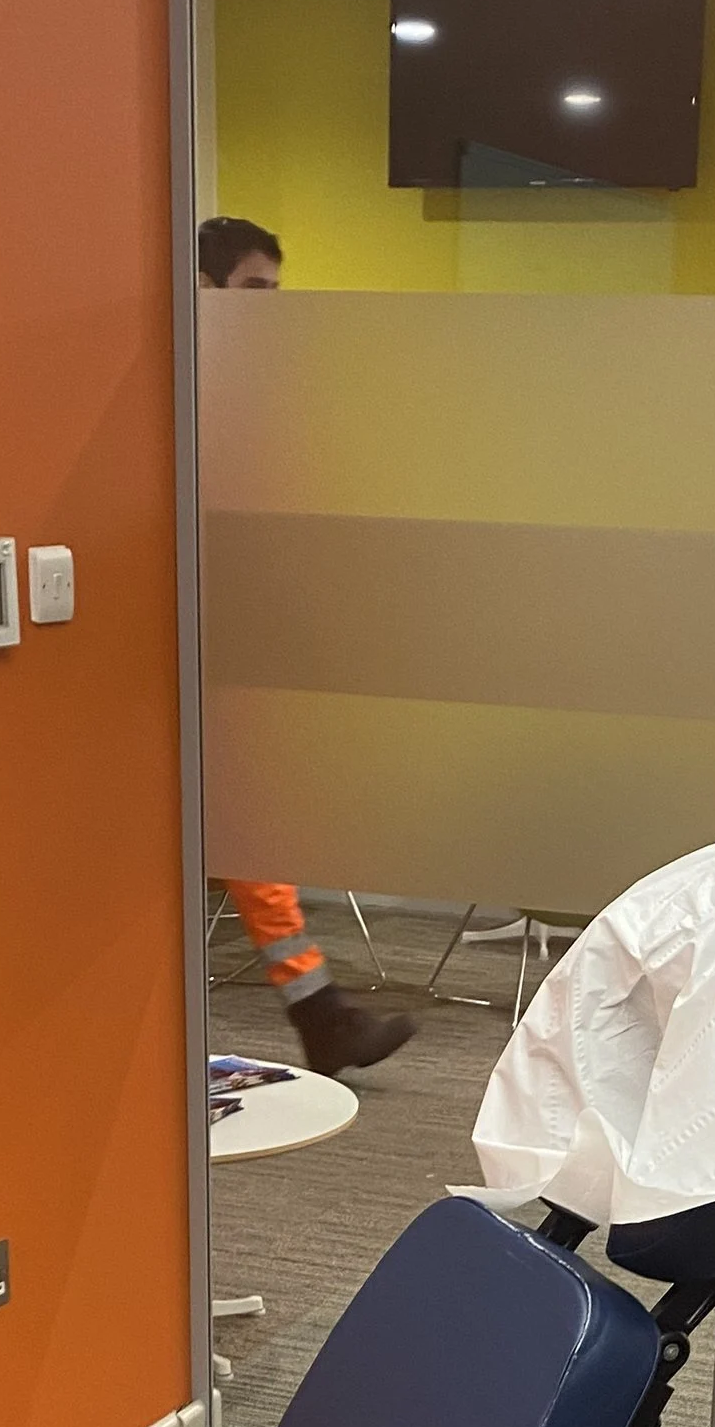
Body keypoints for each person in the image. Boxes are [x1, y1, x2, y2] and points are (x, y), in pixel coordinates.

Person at [197, 215, 416, 1075]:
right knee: (247, 824)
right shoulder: (182, 389)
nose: (271, 313)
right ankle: (315, 1010)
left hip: (243, 636)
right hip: (195, 647)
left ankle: (316, 1010)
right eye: (255, 293)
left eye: (278, 297)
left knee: (252, 824)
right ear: (205, 290)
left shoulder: (257, 390)